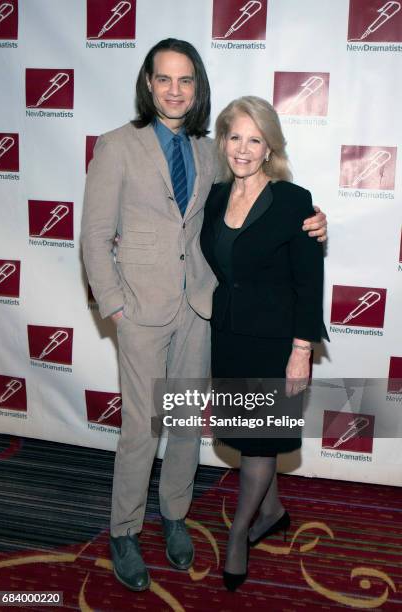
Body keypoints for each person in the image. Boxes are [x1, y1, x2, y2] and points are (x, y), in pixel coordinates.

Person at [81, 39, 327, 592]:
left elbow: (264, 195)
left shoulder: (209, 151)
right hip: (141, 311)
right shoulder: (116, 146)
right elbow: (95, 237)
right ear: (149, 84)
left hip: (200, 309)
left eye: (185, 80)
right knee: (142, 429)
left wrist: (314, 221)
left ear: (197, 89)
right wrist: (115, 304)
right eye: (164, 79)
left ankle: (173, 515)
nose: (174, 90)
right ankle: (123, 530)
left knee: (188, 424)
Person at [200, 96, 327, 592]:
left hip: (276, 342)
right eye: (235, 137)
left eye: (256, 139)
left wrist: (302, 349)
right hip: (228, 333)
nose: (244, 149)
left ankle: (238, 536)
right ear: (223, 141)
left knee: (259, 440)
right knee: (249, 433)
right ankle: (271, 511)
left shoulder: (294, 201)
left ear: (269, 146)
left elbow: (308, 280)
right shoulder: (214, 196)